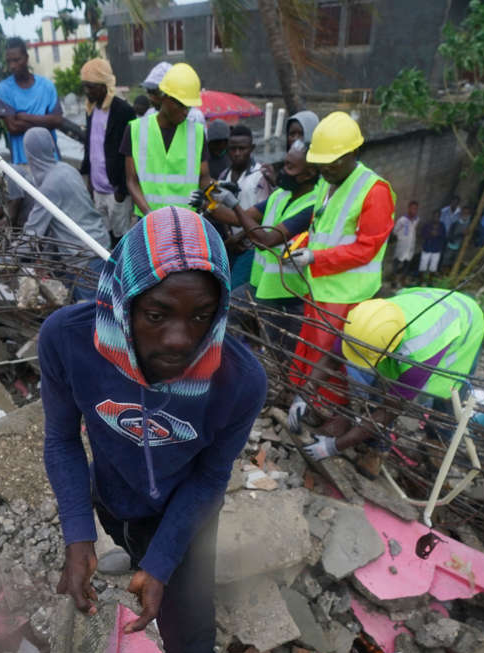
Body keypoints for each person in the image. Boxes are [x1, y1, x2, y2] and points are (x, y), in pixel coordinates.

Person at [41, 206, 266, 653]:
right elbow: (62, 441)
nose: (178, 340)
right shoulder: (70, 341)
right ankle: (135, 554)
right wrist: (78, 538)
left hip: (184, 510)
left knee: (190, 649)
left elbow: (210, 480)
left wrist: (164, 562)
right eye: (157, 314)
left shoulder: (239, 381)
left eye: (200, 316)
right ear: (125, 301)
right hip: (112, 497)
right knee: (130, 547)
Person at [292, 288, 484, 478]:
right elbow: (333, 357)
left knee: (450, 393)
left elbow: (389, 409)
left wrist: (335, 446)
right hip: (428, 306)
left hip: (467, 325)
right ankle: (377, 447)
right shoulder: (362, 321)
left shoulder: (419, 354)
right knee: (381, 385)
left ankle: (436, 445)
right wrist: (303, 394)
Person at [284, 111, 396, 421]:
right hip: (319, 286)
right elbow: (321, 227)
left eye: (333, 162)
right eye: (322, 163)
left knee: (330, 358)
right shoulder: (326, 182)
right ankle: (302, 399)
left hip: (347, 294)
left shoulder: (374, 191)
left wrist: (316, 258)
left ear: (353, 153)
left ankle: (324, 412)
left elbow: (366, 249)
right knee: (309, 348)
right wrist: (303, 247)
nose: (326, 169)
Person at [196, 140, 322, 338]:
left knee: (279, 358)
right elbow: (240, 218)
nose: (281, 170)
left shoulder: (311, 206)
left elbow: (266, 240)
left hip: (286, 297)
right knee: (221, 320)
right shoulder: (280, 195)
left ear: (308, 175)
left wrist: (233, 203)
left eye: (289, 167)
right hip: (259, 286)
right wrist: (208, 205)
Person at [122, 63, 211, 217]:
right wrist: (151, 216)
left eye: (189, 106)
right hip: (147, 221)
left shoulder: (197, 133)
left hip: (186, 223)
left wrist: (211, 198)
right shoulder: (135, 130)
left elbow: (204, 179)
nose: (185, 111)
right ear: (164, 97)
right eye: (181, 105)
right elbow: (132, 181)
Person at [21, 128, 109, 282]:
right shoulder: (67, 169)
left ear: (30, 154)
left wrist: (3, 260)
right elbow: (55, 224)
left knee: (90, 303)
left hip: (83, 256)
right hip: (100, 243)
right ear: (52, 147)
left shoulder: (49, 186)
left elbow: (33, 233)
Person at [79, 58, 136, 243]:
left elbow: (129, 153)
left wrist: (121, 190)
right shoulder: (92, 109)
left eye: (91, 87)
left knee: (122, 238)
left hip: (115, 190)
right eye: (85, 86)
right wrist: (88, 180)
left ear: (104, 86)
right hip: (98, 189)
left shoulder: (123, 111)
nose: (87, 91)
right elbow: (90, 146)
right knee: (103, 237)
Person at [0, 38, 63, 164]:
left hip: (51, 160)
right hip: (23, 163)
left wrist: (24, 116)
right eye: (9, 61)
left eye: (16, 60)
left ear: (26, 58)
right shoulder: (4, 89)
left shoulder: (47, 86)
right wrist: (46, 122)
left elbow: (58, 121)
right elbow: (13, 127)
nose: (12, 66)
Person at [142, 61, 206, 125]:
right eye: (148, 91)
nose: (151, 98)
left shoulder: (195, 117)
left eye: (155, 92)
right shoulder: (148, 115)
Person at [391, 201, 419, 279]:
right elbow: (395, 231)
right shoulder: (402, 220)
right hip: (402, 246)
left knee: (407, 263)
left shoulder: (417, 220)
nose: (414, 210)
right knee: (397, 262)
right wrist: (401, 238)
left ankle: (403, 279)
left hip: (410, 246)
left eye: (416, 209)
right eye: (412, 208)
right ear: (409, 208)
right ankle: (393, 280)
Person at [418, 210, 446, 278]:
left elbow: (444, 236)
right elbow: (422, 234)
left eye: (438, 216)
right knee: (423, 266)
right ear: (432, 216)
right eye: (435, 216)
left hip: (436, 249)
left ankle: (430, 282)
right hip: (427, 248)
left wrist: (437, 234)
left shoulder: (442, 226)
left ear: (440, 217)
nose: (436, 218)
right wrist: (430, 234)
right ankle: (420, 281)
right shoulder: (427, 225)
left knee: (433, 267)